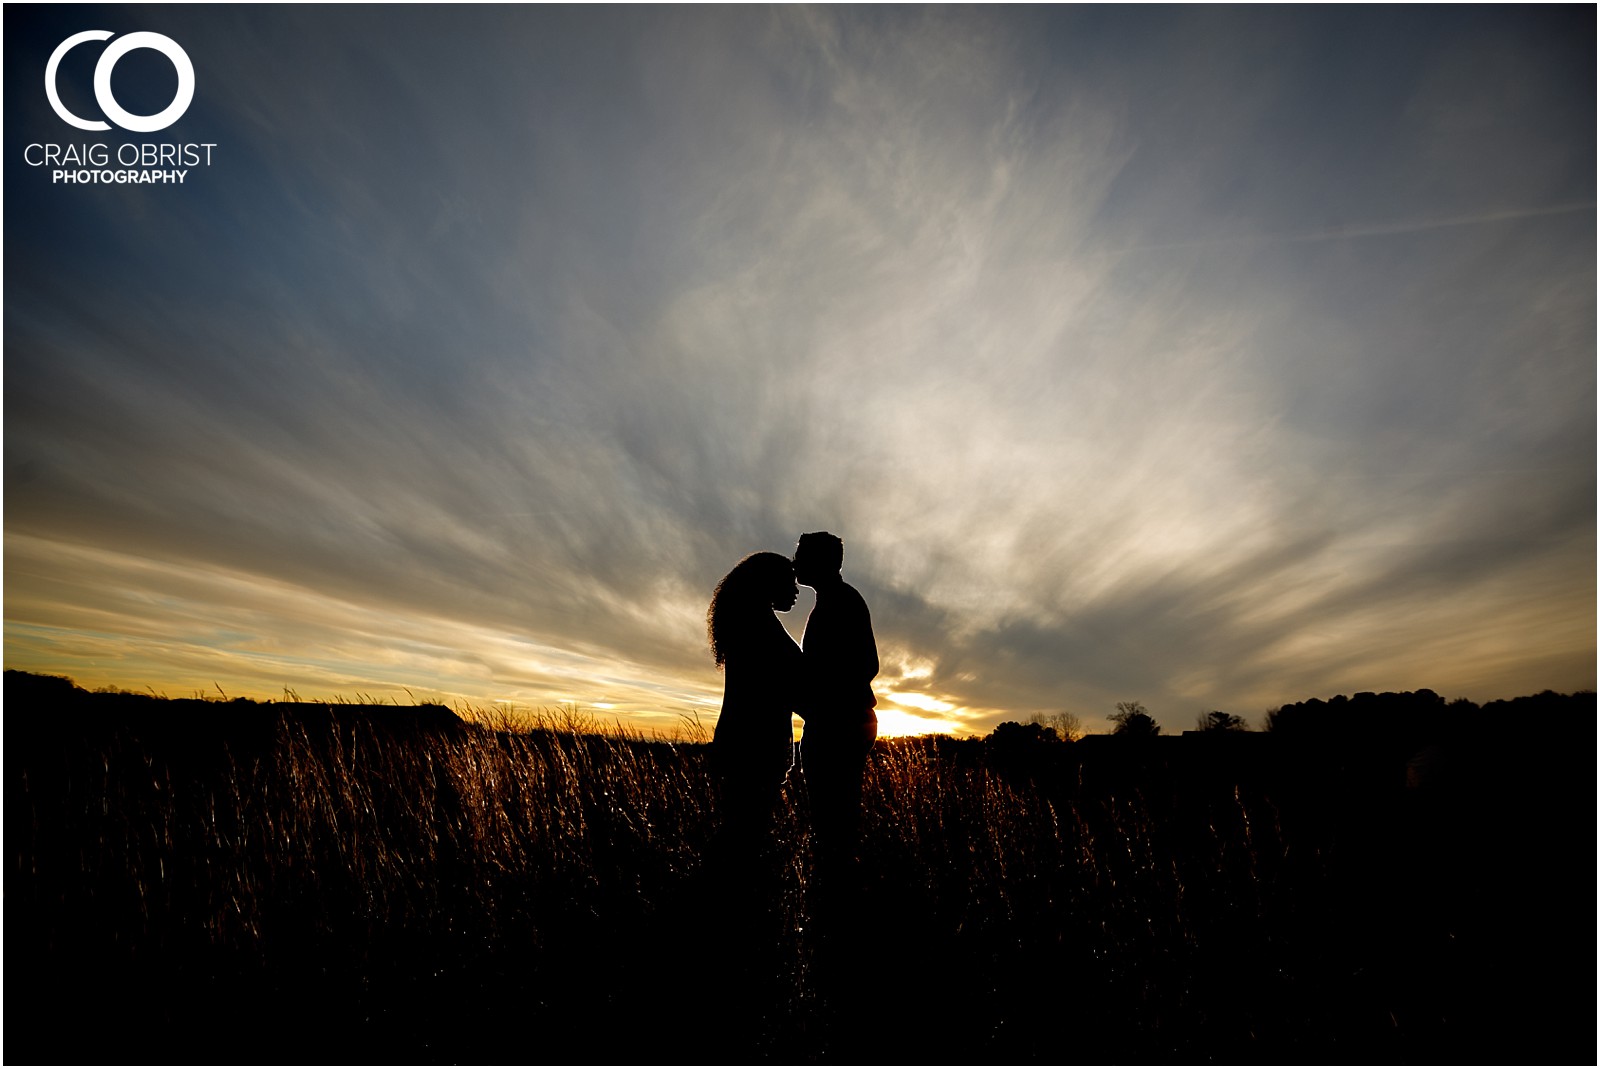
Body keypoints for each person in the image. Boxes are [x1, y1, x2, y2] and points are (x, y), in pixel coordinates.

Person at [793, 531, 878, 890]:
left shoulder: (842, 602)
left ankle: (836, 893)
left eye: (801, 556)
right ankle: (835, 888)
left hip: (840, 725)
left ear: (823, 562)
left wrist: (820, 701)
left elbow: (867, 664)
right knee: (831, 818)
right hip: (836, 722)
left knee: (834, 821)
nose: (794, 562)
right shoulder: (832, 601)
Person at [706, 550, 803, 859]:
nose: (797, 590)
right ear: (769, 585)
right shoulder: (758, 627)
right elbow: (785, 684)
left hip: (746, 742)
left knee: (743, 833)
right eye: (790, 583)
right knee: (746, 838)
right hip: (754, 745)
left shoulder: (751, 622)